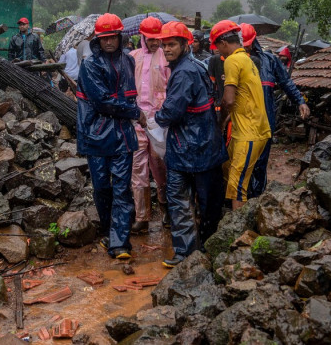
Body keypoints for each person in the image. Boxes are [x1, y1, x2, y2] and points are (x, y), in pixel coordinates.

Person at [155, 22, 228, 268]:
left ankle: (188, 253)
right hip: (203, 144)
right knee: (205, 201)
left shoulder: (184, 71)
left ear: (185, 45)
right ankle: (204, 249)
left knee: (181, 199)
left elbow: (170, 113)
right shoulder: (194, 65)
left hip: (189, 146)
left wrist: (158, 114)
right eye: (164, 45)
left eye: (172, 44)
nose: (166, 49)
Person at [76, 13, 145, 259]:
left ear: (119, 37)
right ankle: (108, 231)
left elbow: (129, 94)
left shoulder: (128, 61)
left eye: (112, 37)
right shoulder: (90, 65)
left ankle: (120, 243)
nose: (108, 42)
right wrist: (135, 112)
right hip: (96, 134)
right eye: (104, 38)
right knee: (102, 187)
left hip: (123, 136)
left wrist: (132, 111)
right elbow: (102, 101)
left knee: (122, 189)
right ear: (98, 39)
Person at [239, 24, 309, 198]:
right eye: (242, 44)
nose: (245, 47)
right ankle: (238, 197)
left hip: (265, 119)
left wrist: (300, 101)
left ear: (254, 41)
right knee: (240, 162)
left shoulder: (270, 61)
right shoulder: (232, 61)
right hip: (241, 120)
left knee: (260, 162)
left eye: (247, 43)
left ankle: (256, 197)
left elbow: (286, 82)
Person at [210, 20, 271, 211]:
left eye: (217, 47)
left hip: (249, 133)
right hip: (248, 129)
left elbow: (228, 100)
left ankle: (238, 234)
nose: (218, 51)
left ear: (224, 43)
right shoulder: (247, 59)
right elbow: (244, 98)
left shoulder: (232, 60)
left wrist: (220, 123)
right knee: (226, 168)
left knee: (237, 185)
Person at [128, 17, 170, 232]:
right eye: (151, 39)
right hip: (137, 122)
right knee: (138, 170)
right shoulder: (132, 58)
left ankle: (165, 209)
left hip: (160, 123)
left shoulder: (166, 58)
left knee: (160, 167)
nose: (155, 43)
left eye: (157, 39)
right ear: (142, 37)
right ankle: (142, 217)